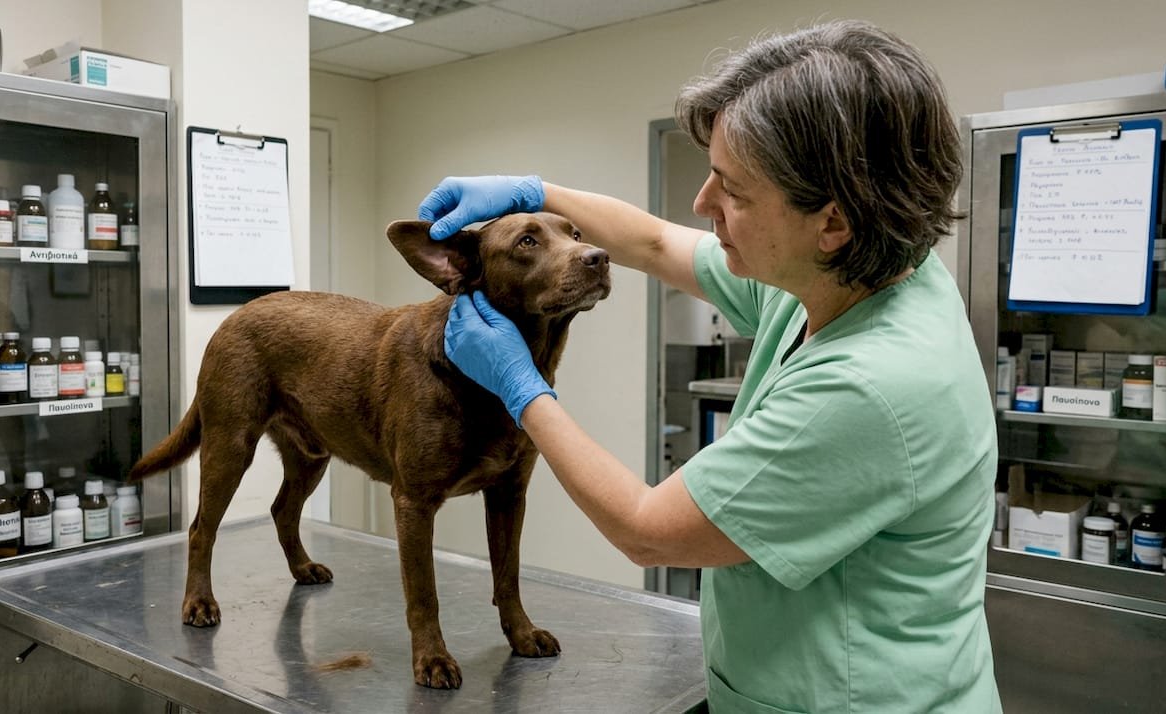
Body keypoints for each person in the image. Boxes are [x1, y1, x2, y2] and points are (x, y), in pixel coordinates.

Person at [423, 19, 1001, 713]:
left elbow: (645, 527)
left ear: (833, 223)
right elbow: (660, 244)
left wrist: (521, 387)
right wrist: (532, 191)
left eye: (732, 190)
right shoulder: (854, 274)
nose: (702, 205)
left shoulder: (870, 387)